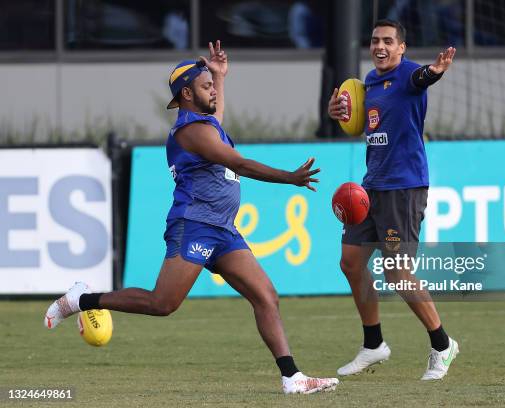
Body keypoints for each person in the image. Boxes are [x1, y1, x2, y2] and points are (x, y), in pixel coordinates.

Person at [45, 40, 339, 395]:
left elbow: (217, 118)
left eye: (212, 86)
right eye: (205, 86)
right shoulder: (191, 131)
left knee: (266, 295)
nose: (213, 90)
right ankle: (80, 299)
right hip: (195, 224)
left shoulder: (206, 124)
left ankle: (292, 378)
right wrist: (288, 177)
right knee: (162, 304)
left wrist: (219, 76)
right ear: (186, 93)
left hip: (223, 230)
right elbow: (240, 164)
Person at [327, 19, 458, 380]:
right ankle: (374, 345)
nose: (380, 47)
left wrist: (435, 71)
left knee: (397, 273)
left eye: (388, 41)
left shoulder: (410, 74)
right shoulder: (367, 82)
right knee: (351, 263)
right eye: (375, 41)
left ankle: (443, 344)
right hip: (372, 188)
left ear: (402, 47)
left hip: (404, 187)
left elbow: (422, 79)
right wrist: (336, 112)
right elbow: (354, 118)